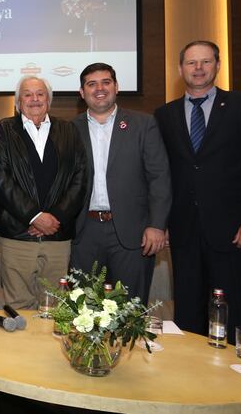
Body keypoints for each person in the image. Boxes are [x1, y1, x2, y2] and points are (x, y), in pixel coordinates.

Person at [154, 40, 241, 342]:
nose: (198, 68)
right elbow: (162, 174)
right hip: (185, 233)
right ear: (180, 68)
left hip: (236, 232)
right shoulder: (164, 115)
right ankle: (194, 385)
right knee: (188, 317)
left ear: (217, 65)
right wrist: (162, 222)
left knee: (234, 314)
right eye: (191, 63)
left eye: (205, 62)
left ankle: (236, 387)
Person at [70, 63, 171, 303]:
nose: (99, 89)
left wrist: (157, 224)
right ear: (82, 92)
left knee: (129, 311)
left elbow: (159, 177)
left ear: (116, 87)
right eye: (91, 84)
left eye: (106, 82)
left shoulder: (143, 124)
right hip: (85, 233)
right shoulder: (69, 129)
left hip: (132, 233)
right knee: (84, 309)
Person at [0, 76, 87, 309]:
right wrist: (35, 216)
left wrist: (55, 218)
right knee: (19, 306)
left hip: (57, 234)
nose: (34, 99)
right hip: (17, 234)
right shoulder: (5, 129)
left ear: (49, 100)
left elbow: (80, 177)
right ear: (18, 102)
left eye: (40, 94)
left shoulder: (68, 130)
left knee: (55, 306)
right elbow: (0, 178)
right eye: (27, 94)